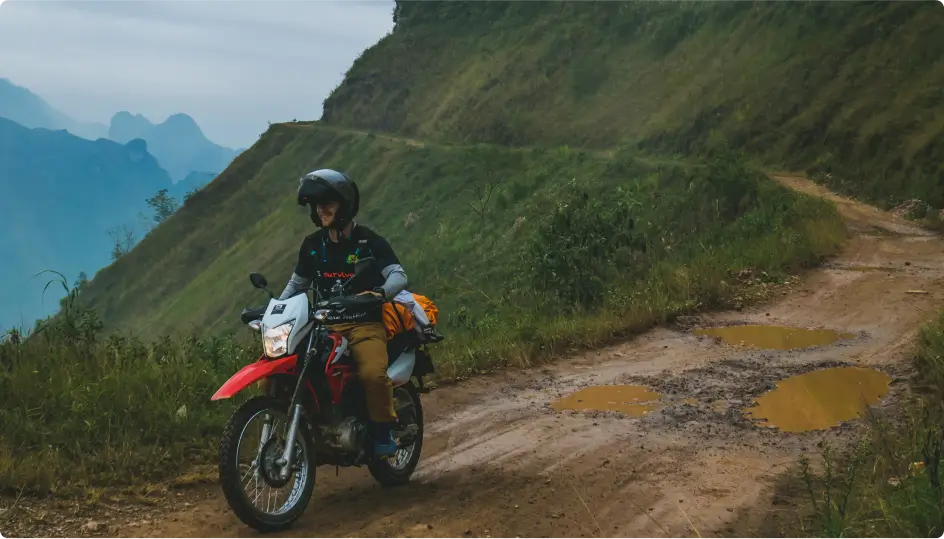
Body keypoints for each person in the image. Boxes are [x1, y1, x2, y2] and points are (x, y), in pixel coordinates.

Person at [278, 169, 408, 457]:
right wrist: (274, 308)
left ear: (345, 205)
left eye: (328, 203)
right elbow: (297, 284)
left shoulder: (368, 241)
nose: (321, 209)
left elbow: (398, 276)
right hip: (322, 326)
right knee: (286, 370)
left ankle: (383, 431)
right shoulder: (312, 246)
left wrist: (378, 295)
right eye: (317, 204)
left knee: (373, 374)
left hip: (363, 325)